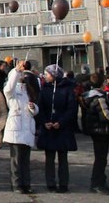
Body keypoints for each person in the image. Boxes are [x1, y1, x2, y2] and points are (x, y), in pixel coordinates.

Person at [37, 64, 78, 193]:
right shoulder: (44, 89)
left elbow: (72, 109)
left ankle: (63, 183)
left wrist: (61, 122)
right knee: (49, 158)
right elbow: (40, 108)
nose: (45, 76)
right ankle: (50, 182)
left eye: (47, 74)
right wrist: (44, 122)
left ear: (54, 75)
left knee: (63, 158)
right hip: (48, 128)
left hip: (62, 129)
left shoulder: (67, 89)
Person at [3, 60, 39, 194]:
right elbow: (9, 87)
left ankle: (26, 183)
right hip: (16, 129)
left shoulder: (28, 91)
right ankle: (16, 184)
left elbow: (36, 109)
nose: (23, 76)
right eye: (21, 74)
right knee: (16, 160)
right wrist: (16, 71)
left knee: (25, 160)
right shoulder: (11, 91)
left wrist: (33, 108)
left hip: (27, 128)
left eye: (23, 74)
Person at [83, 69, 109, 194]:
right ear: (102, 83)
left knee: (101, 159)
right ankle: (97, 183)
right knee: (100, 159)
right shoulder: (99, 97)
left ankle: (101, 182)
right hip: (100, 131)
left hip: (99, 131)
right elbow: (106, 115)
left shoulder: (93, 95)